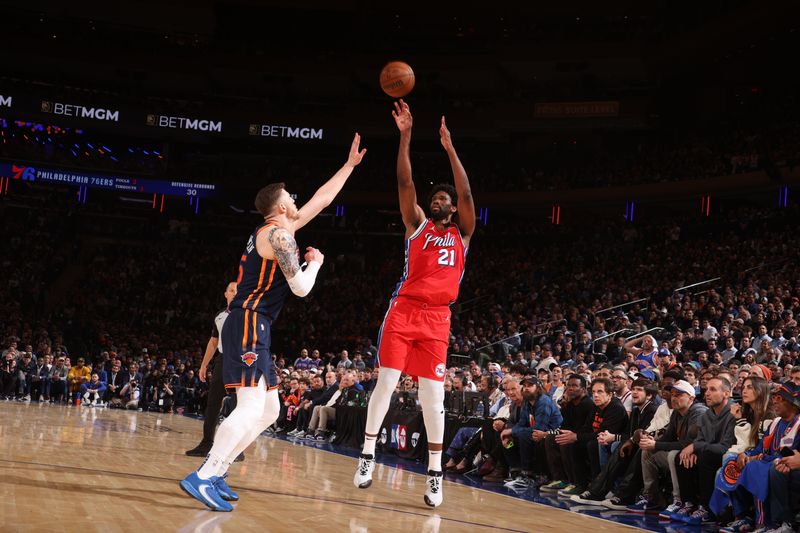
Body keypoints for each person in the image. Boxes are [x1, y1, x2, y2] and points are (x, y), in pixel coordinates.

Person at [180, 133, 366, 512]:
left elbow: (322, 199)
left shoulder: (276, 231)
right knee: (249, 407)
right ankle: (203, 475)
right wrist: (316, 263)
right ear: (280, 206)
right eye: (291, 198)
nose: (297, 200)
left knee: (270, 411)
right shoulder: (280, 236)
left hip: (254, 322)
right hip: (249, 320)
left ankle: (219, 470)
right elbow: (299, 287)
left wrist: (348, 166)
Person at [354, 99, 475, 509]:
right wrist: (405, 136)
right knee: (386, 383)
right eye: (436, 197)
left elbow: (467, 190)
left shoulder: (464, 234)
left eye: (446, 198)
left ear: (454, 208)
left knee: (433, 398)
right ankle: (367, 455)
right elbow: (405, 183)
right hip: (405, 311)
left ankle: (435, 473)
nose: (441, 199)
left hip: (438, 318)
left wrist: (450, 149)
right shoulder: (416, 224)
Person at [185, 282, 239, 458]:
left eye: (238, 290)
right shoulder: (219, 316)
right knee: (213, 404)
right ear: (226, 294)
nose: (235, 293)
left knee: (238, 406)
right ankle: (206, 443)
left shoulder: (247, 314)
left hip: (240, 361)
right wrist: (203, 365)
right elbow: (214, 341)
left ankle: (236, 449)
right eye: (232, 290)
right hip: (223, 360)